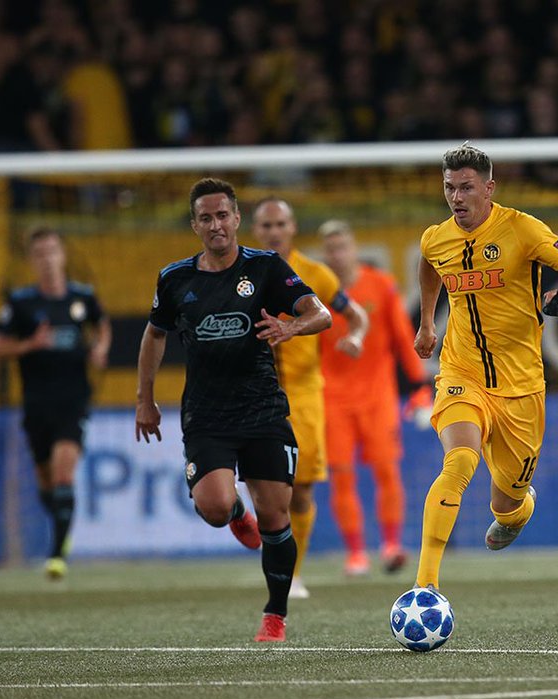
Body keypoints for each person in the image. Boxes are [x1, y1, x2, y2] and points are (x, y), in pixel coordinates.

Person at [135, 178, 331, 642]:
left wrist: (292, 328)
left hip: (262, 409)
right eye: (206, 218)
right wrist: (145, 398)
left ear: (237, 219)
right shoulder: (175, 279)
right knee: (214, 507)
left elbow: (321, 313)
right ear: (195, 225)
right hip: (207, 415)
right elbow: (155, 334)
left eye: (223, 215)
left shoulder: (265, 268)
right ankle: (236, 510)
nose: (216, 225)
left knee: (277, 517)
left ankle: (275, 615)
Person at [412, 144, 558, 590]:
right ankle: (425, 587)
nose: (456, 198)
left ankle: (517, 511)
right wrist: (426, 323)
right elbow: (429, 266)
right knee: (459, 461)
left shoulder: (522, 229)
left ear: (489, 188)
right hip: (461, 373)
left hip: (520, 387)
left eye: (466, 188)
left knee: (506, 503)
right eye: (449, 188)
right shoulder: (435, 238)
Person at [251, 198, 369, 588]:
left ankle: (293, 574)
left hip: (302, 396)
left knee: (300, 490)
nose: (273, 232)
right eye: (266, 225)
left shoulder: (315, 274)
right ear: (255, 230)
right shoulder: (240, 274)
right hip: (251, 394)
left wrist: (356, 336)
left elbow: (355, 314)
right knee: (265, 492)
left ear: (292, 228)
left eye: (280, 224)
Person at [0, 228, 111, 580]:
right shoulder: (20, 303)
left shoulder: (82, 297)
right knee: (46, 482)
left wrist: (100, 348)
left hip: (73, 400)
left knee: (62, 474)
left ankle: (57, 554)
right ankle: (61, 527)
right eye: (40, 253)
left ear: (62, 255)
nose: (47, 259)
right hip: (36, 403)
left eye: (52, 251)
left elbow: (102, 325)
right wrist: (31, 344)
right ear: (32, 260)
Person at [317, 219, 433, 576]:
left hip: (378, 395)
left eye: (342, 247)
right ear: (325, 255)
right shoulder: (316, 292)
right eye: (331, 249)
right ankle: (355, 554)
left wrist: (419, 386)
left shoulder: (380, 285)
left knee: (387, 470)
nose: (338, 255)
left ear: (354, 249)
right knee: (341, 476)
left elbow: (402, 337)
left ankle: (391, 545)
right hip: (331, 397)